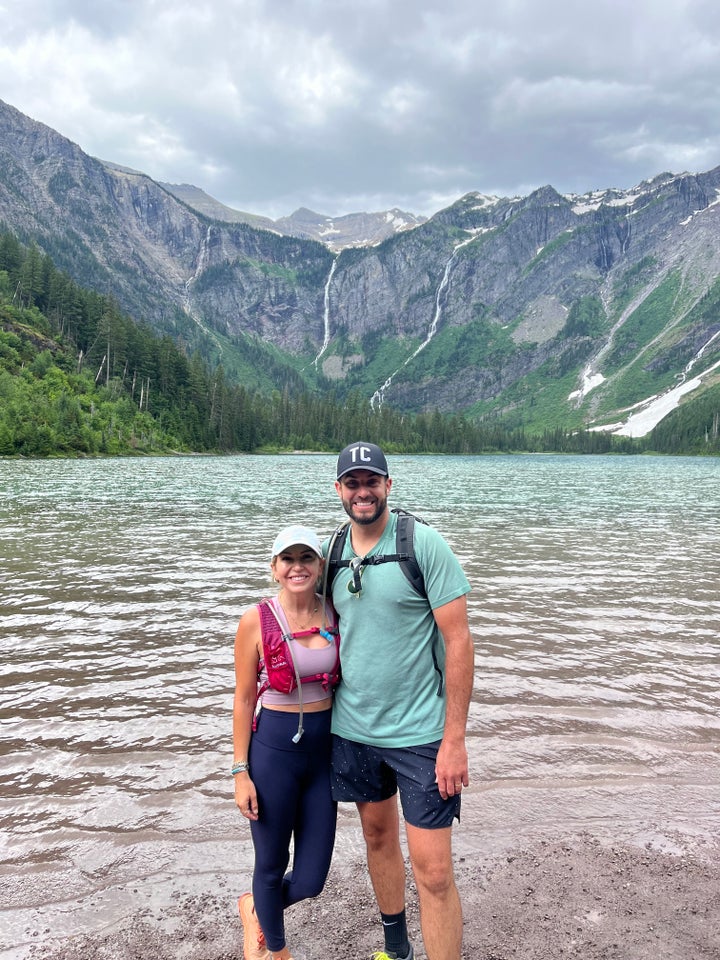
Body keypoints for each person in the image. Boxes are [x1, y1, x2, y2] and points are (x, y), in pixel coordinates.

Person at [326, 442, 474, 960]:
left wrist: (454, 739)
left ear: (389, 486)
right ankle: (396, 948)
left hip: (421, 735)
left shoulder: (424, 544)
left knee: (434, 872)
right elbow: (318, 630)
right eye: (352, 482)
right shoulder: (333, 551)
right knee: (378, 841)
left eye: (372, 481)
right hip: (354, 730)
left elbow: (459, 641)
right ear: (338, 490)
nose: (362, 491)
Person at [233, 525, 340, 960]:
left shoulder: (336, 612)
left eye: (307, 558)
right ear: (274, 568)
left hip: (323, 756)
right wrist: (240, 772)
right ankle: (277, 951)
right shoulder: (254, 620)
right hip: (273, 753)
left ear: (320, 566)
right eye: (288, 559)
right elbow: (242, 700)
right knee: (272, 865)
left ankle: (255, 907)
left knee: (312, 878)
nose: (298, 567)